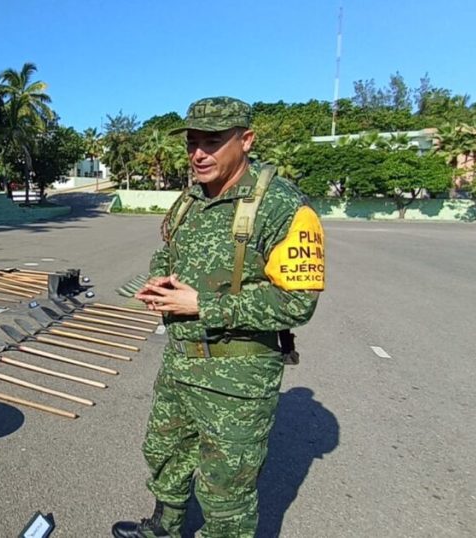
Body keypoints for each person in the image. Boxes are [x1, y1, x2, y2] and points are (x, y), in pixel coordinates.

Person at [111, 97, 325, 538]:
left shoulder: (283, 208)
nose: (199, 154)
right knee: (166, 452)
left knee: (226, 490)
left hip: (238, 378)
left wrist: (202, 305)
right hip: (181, 361)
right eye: (192, 143)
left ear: (245, 141)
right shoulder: (190, 199)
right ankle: (165, 527)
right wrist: (159, 280)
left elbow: (298, 303)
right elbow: (167, 248)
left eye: (212, 142)